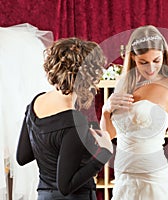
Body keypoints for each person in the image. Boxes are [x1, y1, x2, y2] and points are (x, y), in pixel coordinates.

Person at [100, 25, 168, 200]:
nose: (151, 68)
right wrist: (105, 111)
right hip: (123, 180)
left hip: (154, 180)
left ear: (164, 54)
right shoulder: (123, 84)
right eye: (143, 62)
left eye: (156, 60)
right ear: (133, 57)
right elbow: (108, 134)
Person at [16, 37, 113, 200]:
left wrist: (56, 144)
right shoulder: (74, 121)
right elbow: (65, 186)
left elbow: (22, 156)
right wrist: (104, 153)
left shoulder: (35, 103)